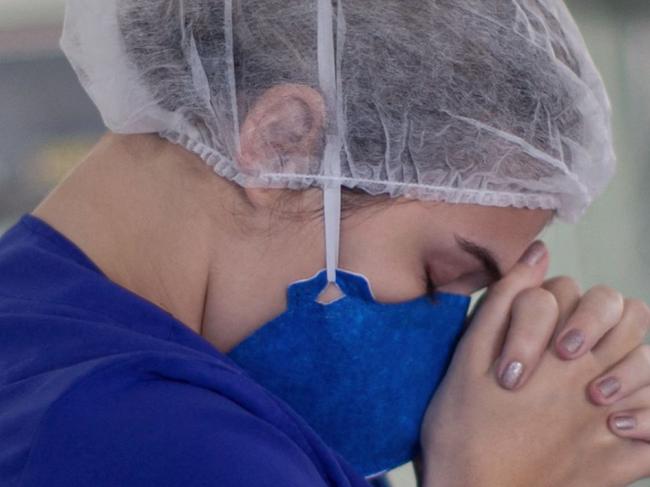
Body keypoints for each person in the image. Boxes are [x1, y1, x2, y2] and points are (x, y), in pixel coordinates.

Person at [1, 0, 650, 486]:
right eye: (437, 274)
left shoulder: (39, 328)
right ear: (283, 141)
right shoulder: (164, 445)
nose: (460, 344)